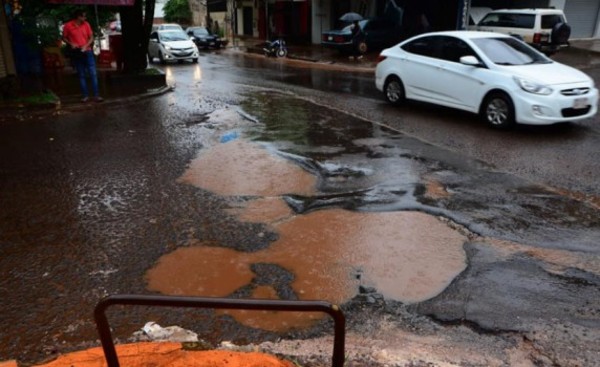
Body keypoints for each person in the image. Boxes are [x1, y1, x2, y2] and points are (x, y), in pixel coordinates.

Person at [62, 9, 102, 103]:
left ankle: (96, 95)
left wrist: (86, 45)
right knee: (81, 74)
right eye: (83, 16)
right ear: (78, 17)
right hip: (77, 51)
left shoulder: (86, 24)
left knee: (93, 73)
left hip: (87, 51)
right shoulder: (68, 25)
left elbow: (91, 37)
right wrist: (71, 43)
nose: (85, 18)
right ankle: (85, 96)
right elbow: (64, 37)